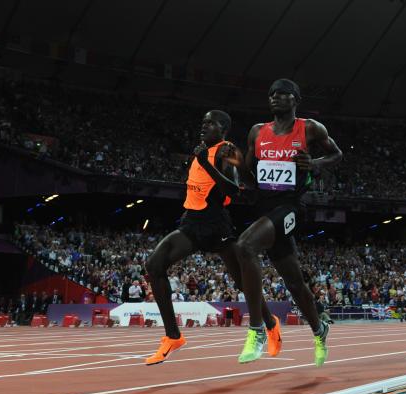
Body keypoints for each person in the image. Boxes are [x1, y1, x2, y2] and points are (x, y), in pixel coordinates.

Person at [144, 110, 281, 366]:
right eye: (203, 121)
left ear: (223, 128)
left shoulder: (226, 150)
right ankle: (173, 336)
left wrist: (206, 163)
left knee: (242, 283)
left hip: (216, 225)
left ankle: (271, 325)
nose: (204, 125)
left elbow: (234, 190)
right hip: (191, 224)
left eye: (211, 122)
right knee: (154, 265)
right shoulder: (201, 150)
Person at [234, 79, 342, 366]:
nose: (275, 98)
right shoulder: (257, 132)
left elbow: (336, 154)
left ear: (296, 99)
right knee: (295, 284)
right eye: (271, 95)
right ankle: (320, 330)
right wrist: (238, 172)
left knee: (245, 245)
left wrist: (315, 164)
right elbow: (247, 173)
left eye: (282, 94)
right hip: (265, 209)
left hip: (292, 206)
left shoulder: (309, 129)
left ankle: (258, 330)